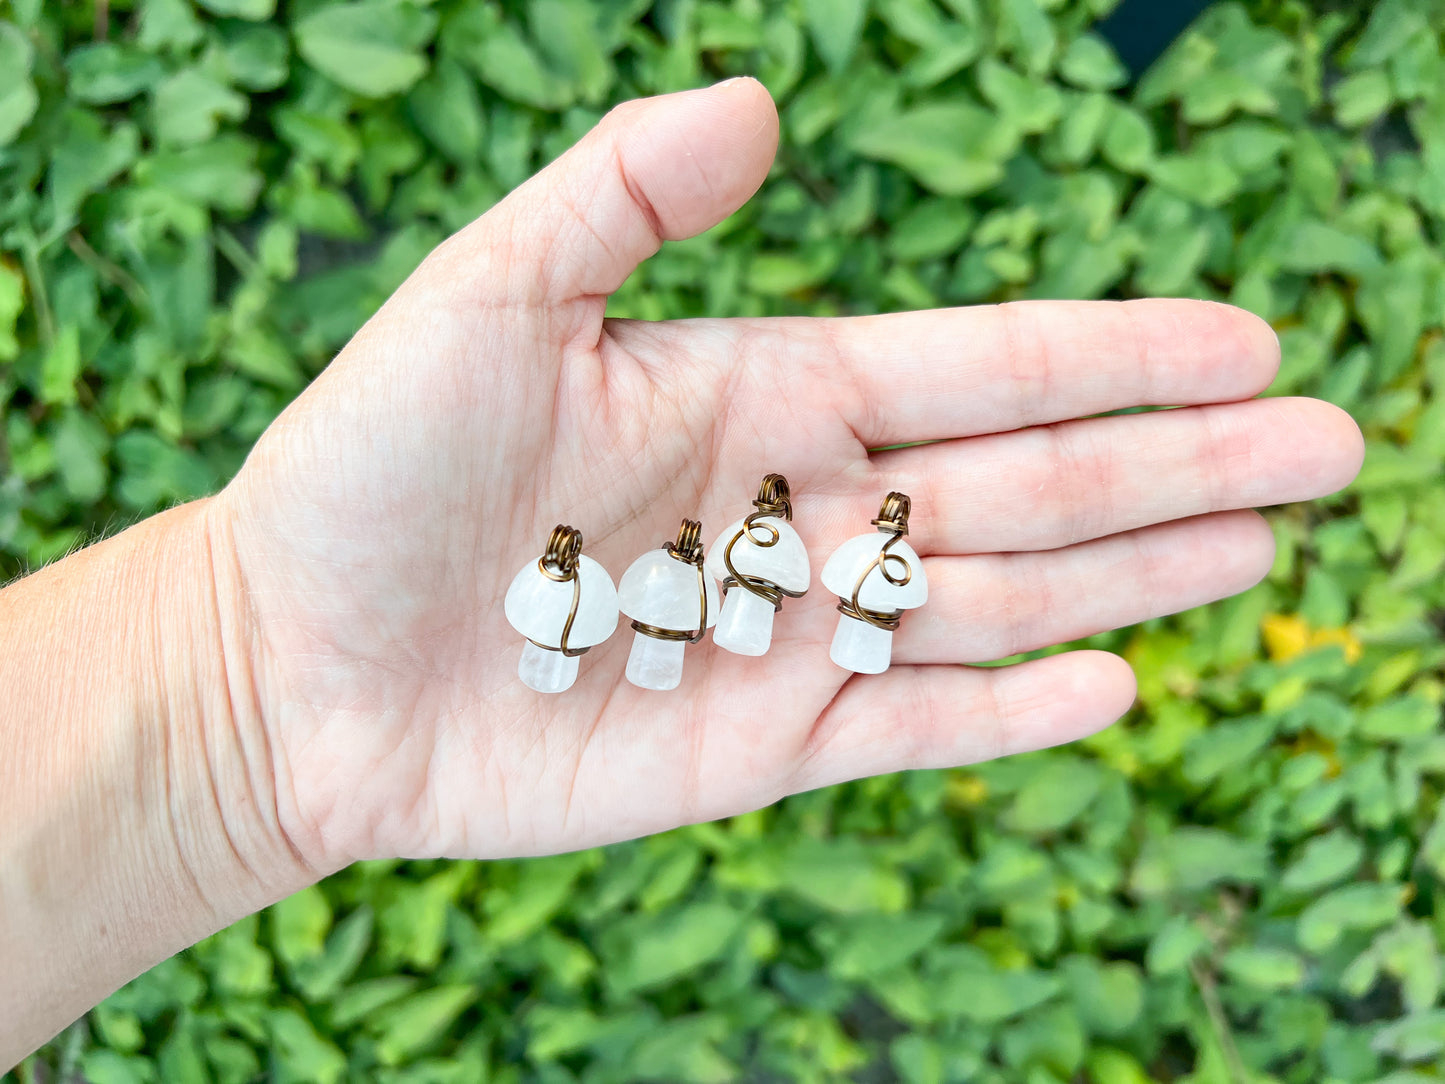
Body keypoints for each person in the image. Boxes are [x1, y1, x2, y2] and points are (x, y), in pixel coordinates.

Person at [0, 78, 1363, 1067]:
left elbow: (792, 579)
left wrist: (232, 687)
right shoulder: (644, 566)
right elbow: (599, 596)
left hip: (749, 609)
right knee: (651, 643)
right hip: (658, 621)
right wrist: (245, 660)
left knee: (756, 635)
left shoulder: (796, 554)